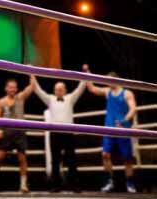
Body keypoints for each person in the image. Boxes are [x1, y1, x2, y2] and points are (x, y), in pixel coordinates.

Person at [84, 64, 137, 193]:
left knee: (127, 158)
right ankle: (109, 181)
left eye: (108, 80)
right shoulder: (108, 92)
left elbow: (133, 109)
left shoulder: (127, 93)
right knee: (105, 155)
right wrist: (87, 72)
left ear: (115, 80)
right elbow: (92, 88)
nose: (106, 83)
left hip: (123, 129)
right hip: (108, 129)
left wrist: (124, 120)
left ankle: (130, 183)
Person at [31, 74, 86, 192]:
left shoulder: (70, 98)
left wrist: (85, 73)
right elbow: (37, 89)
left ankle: (74, 185)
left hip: (68, 133)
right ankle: (56, 185)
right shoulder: (50, 99)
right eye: (57, 89)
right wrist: (32, 74)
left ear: (65, 90)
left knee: (71, 160)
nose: (59, 91)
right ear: (54, 91)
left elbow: (81, 87)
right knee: (55, 161)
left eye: (61, 89)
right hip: (55, 134)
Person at [0, 77, 34, 193]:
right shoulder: (1, 101)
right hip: (6, 132)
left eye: (14, 87)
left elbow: (32, 86)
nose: (12, 89)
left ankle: (23, 185)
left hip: (19, 131)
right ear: (6, 88)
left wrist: (31, 72)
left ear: (17, 89)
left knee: (22, 159)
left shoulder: (20, 97)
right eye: (10, 87)